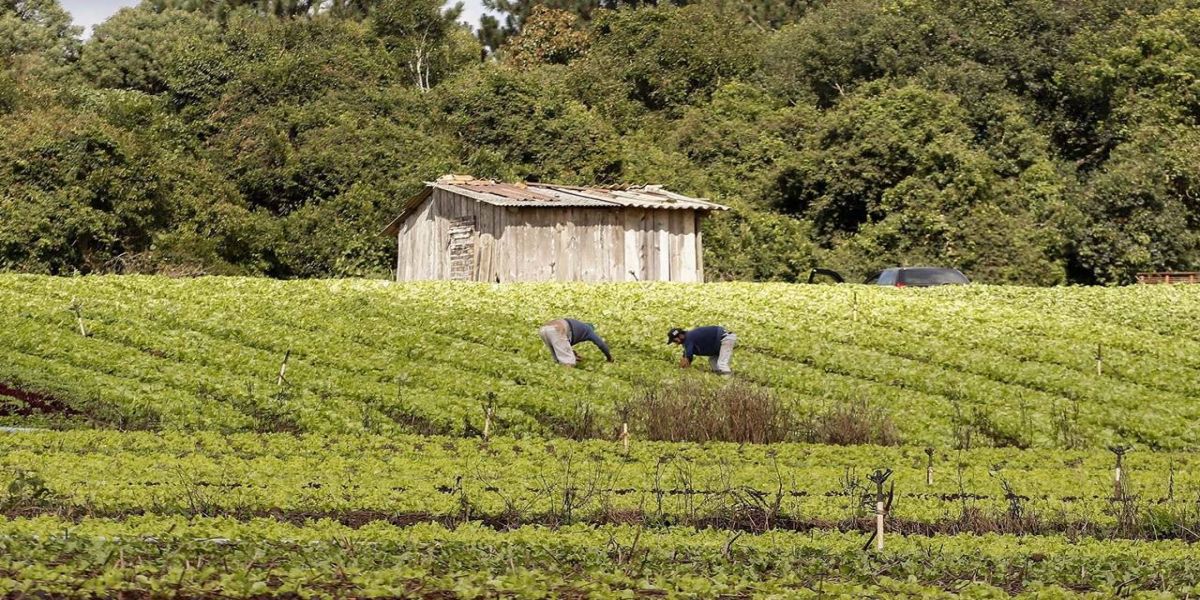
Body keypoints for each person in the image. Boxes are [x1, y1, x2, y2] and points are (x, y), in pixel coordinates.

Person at [539, 318, 614, 367]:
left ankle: (556, 376)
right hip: (557, 329)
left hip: (543, 329)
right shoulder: (588, 330)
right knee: (569, 362)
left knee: (558, 360)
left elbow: (563, 344)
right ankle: (566, 380)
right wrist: (609, 357)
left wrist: (573, 354)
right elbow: (601, 344)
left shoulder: (577, 326)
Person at [668, 326, 736, 375]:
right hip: (721, 342)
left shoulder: (688, 338)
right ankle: (720, 375)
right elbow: (686, 353)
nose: (675, 343)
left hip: (725, 338)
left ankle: (729, 382)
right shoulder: (689, 338)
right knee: (712, 360)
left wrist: (683, 370)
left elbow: (688, 356)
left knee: (722, 364)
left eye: (674, 340)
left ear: (680, 336)